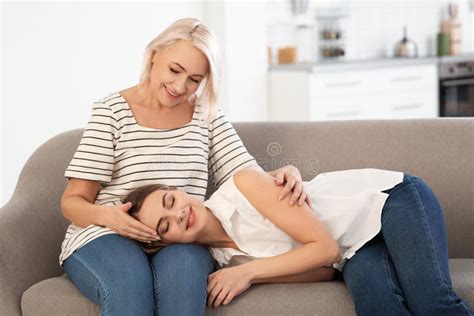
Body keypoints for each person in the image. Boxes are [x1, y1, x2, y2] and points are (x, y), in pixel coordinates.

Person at [59, 17, 308, 316]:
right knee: (129, 285)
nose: (180, 86)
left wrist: (285, 172)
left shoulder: (206, 114)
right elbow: (72, 202)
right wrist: (109, 217)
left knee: (184, 288)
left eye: (194, 79)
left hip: (178, 236)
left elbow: (245, 175)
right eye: (175, 70)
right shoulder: (111, 113)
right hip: (106, 234)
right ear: (154, 57)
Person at [123, 168, 473, 315]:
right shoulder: (227, 262)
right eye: (165, 227)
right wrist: (249, 272)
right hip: (357, 250)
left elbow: (324, 248)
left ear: (179, 191)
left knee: (432, 304)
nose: (180, 216)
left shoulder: (243, 187)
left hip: (389, 201)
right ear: (166, 242)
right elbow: (323, 270)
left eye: (171, 202)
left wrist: (249, 273)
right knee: (378, 308)